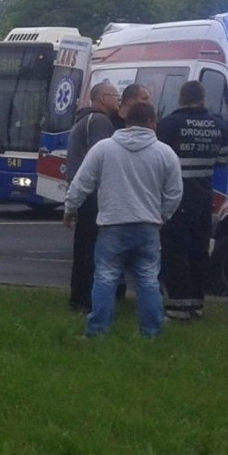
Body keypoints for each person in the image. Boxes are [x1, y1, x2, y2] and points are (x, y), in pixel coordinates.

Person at [64, 102, 183, 338]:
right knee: (148, 280)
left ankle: (97, 332)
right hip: (148, 225)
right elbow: (174, 192)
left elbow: (82, 182)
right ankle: (151, 332)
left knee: (105, 278)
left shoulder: (103, 149)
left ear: (127, 119)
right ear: (152, 122)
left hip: (112, 224)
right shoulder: (165, 153)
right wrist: (163, 215)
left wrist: (70, 207)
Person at [65, 83, 151, 310]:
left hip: (84, 195)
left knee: (83, 248)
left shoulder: (85, 120)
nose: (119, 100)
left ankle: (79, 298)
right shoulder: (100, 121)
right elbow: (103, 161)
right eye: (115, 96)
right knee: (93, 250)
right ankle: (87, 300)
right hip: (93, 196)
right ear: (103, 98)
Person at [156, 81, 228, 320]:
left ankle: (178, 306)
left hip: (175, 197)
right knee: (199, 251)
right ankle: (197, 303)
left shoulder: (169, 125)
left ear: (181, 98)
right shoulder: (219, 125)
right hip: (204, 196)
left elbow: (158, 160)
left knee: (175, 250)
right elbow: (222, 161)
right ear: (203, 97)